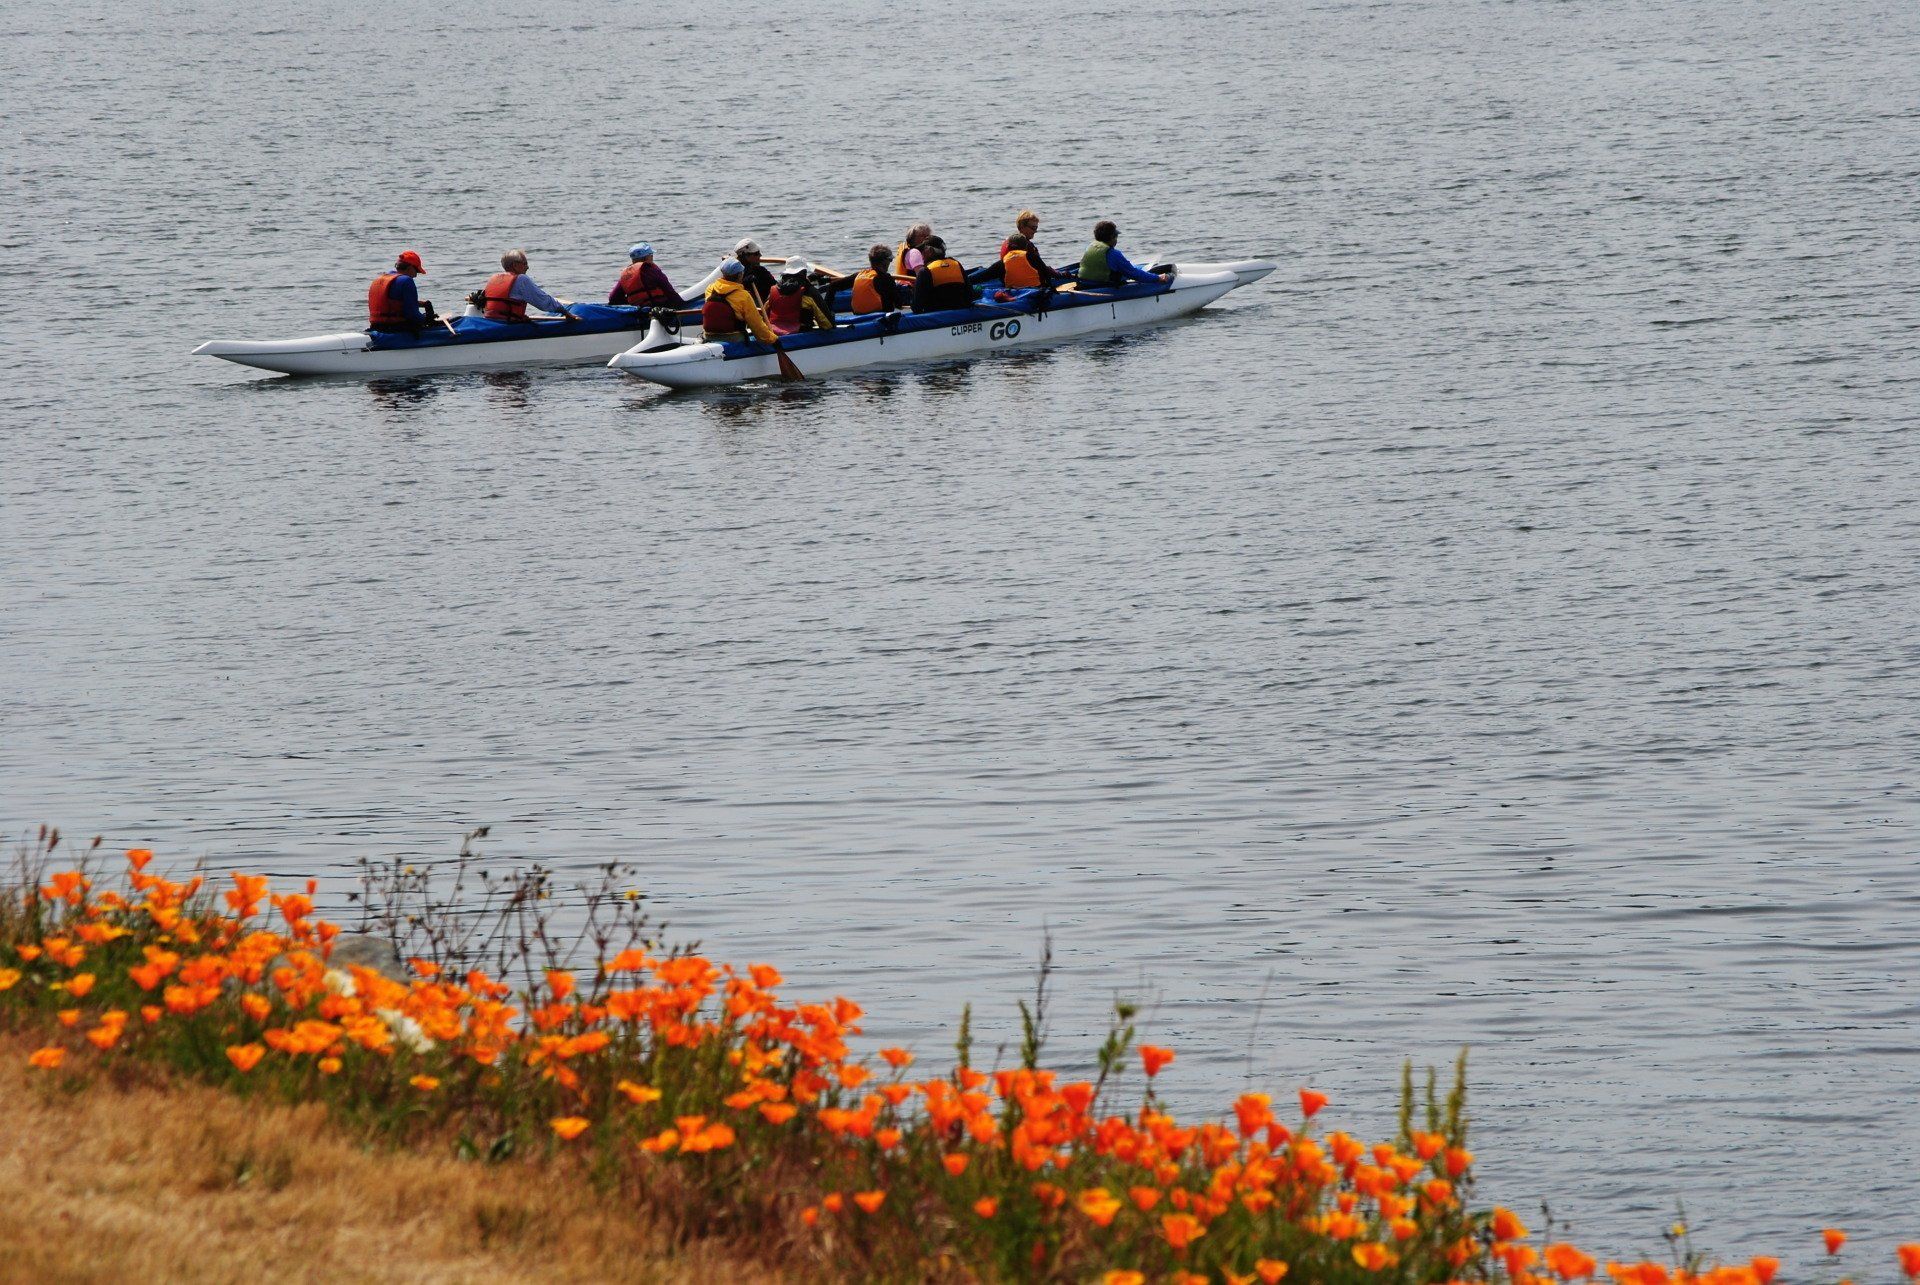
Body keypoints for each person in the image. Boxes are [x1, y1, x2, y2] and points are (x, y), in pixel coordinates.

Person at [483, 249, 577, 322]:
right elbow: (544, 302)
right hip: (508, 324)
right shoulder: (521, 279)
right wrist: (565, 312)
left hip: (492, 320)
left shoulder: (494, 278)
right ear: (515, 265)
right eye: (525, 264)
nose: (528, 267)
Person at [701, 259, 779, 345]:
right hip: (733, 339)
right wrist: (773, 339)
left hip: (708, 337)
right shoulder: (743, 296)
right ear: (740, 275)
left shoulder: (710, 289)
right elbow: (757, 325)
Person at [1076, 220, 1171, 288]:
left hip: (1085, 283)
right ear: (1111, 237)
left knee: (1134, 268)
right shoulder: (1113, 254)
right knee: (1135, 271)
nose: (1116, 239)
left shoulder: (1089, 247)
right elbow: (1134, 274)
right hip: (1103, 286)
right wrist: (1158, 278)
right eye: (1116, 236)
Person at [367, 250, 435, 333]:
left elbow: (394, 303)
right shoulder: (406, 281)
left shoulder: (379, 279)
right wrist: (427, 319)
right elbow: (412, 315)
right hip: (396, 328)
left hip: (376, 327)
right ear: (410, 268)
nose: (416, 275)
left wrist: (423, 304)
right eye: (416, 271)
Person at [764, 258, 835, 336]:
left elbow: (764, 316)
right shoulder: (809, 291)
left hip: (774, 331)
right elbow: (827, 324)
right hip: (801, 334)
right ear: (804, 272)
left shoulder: (774, 290)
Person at [911, 238, 974, 312]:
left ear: (930, 251)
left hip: (937, 318)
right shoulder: (957, 264)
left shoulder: (925, 271)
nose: (921, 254)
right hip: (962, 314)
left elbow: (916, 307)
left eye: (922, 251)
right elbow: (970, 295)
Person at [608, 243, 681, 308]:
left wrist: (632, 304)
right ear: (647, 257)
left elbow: (613, 298)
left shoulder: (626, 274)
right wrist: (682, 305)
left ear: (633, 260)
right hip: (657, 309)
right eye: (651, 255)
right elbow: (670, 293)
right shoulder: (653, 271)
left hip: (636, 311)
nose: (652, 258)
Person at [998, 209, 1061, 279]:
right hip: (1028, 282)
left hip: (1009, 280)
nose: (1035, 231)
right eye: (1033, 228)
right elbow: (1042, 268)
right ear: (1022, 227)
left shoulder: (1008, 241)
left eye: (1036, 228)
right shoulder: (1027, 246)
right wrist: (1062, 275)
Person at [845, 243, 906, 314]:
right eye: (890, 260)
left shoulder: (859, 275)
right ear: (884, 261)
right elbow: (898, 303)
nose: (890, 262)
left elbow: (833, 286)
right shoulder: (886, 278)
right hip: (880, 317)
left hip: (858, 316)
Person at [731, 238, 778, 309]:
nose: (760, 255)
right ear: (746, 256)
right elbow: (776, 288)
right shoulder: (760, 271)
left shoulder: (731, 271)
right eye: (756, 253)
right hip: (756, 309)